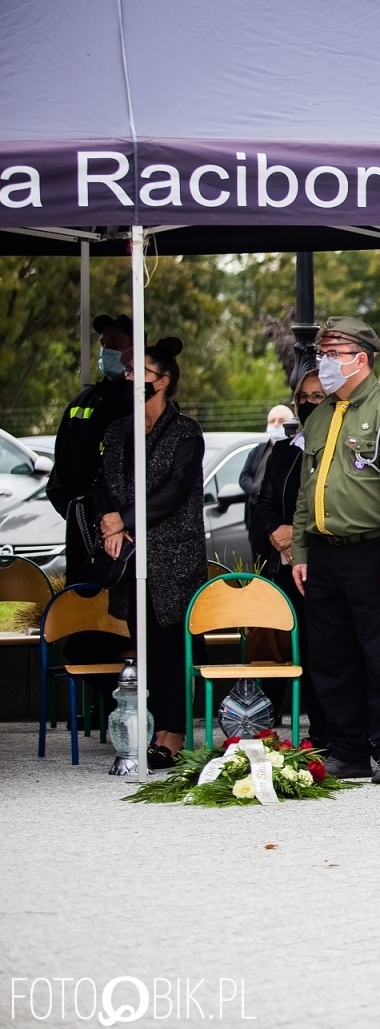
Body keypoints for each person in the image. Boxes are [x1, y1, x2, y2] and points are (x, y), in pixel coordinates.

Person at [290, 317, 380, 785]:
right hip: (326, 554)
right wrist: (301, 549)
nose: (323, 364)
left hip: (374, 551)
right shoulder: (323, 412)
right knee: (331, 655)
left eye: (332, 354)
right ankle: (346, 748)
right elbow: (309, 489)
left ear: (360, 359)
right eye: (322, 354)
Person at [92, 337, 206, 770]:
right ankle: (151, 728)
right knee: (145, 646)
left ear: (162, 380)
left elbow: (174, 491)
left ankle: (173, 735)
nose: (129, 379)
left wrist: (125, 519)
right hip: (129, 555)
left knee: (172, 646)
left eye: (138, 373)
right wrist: (108, 521)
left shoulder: (184, 430)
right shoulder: (118, 430)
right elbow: (100, 482)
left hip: (173, 558)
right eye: (127, 373)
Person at [250, 325, 323, 742]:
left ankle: (321, 730)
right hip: (284, 566)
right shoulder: (283, 451)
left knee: (318, 650)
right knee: (278, 642)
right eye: (304, 399)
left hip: (316, 563)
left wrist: (299, 537)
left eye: (317, 397)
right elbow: (263, 499)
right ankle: (269, 721)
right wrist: (275, 529)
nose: (310, 404)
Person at [47, 313, 134, 585]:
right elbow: (60, 472)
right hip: (83, 530)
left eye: (116, 343)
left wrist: (121, 519)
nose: (108, 349)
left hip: (129, 533)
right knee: (82, 605)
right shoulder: (83, 402)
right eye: (104, 343)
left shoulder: (147, 405)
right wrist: (78, 512)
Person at [241, 403, 294, 562]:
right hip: (257, 521)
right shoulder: (258, 450)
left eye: (281, 420)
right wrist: (261, 491)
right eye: (272, 421)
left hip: (282, 521)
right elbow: (244, 477)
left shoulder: (296, 451)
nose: (276, 424)